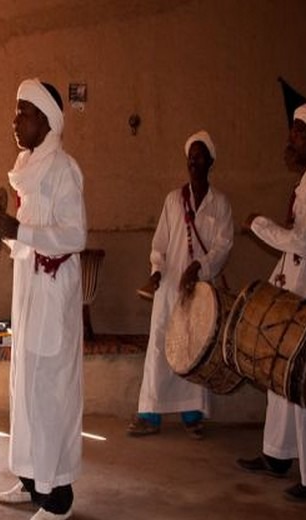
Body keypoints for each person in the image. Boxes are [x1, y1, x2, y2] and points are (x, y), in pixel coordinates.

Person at [0, 79, 86, 520]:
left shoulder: (64, 170)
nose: (15, 121)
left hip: (53, 295)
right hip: (27, 291)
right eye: (16, 112)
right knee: (24, 387)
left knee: (51, 392)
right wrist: (2, 236)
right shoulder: (27, 167)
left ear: (47, 121)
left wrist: (19, 231)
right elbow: (26, 237)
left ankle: (59, 495)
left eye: (24, 113)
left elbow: (74, 235)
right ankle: (30, 481)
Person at [237, 102, 306, 501]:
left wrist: (260, 225)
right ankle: (277, 455)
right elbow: (295, 242)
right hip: (296, 284)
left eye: (298, 131)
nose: (290, 138)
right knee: (279, 370)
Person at [128, 131, 233, 440]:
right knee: (160, 346)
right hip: (169, 287)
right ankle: (149, 414)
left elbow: (223, 247)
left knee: (195, 348)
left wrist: (200, 267)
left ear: (210, 162)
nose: (194, 162)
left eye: (200, 157)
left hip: (201, 291)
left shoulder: (220, 204)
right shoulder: (174, 200)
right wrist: (157, 271)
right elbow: (159, 244)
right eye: (190, 157)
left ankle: (192, 414)